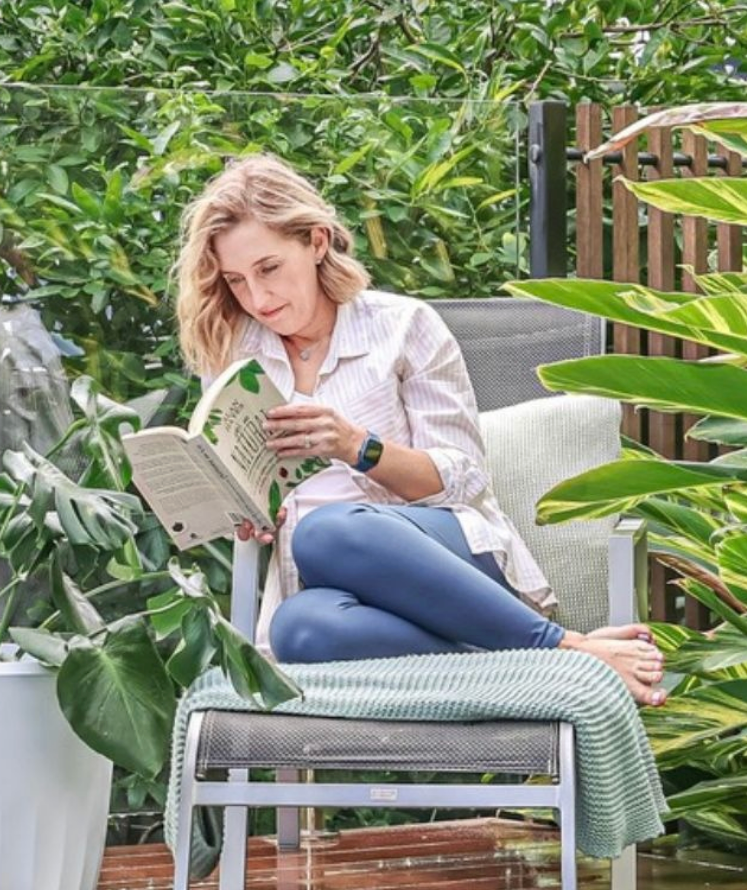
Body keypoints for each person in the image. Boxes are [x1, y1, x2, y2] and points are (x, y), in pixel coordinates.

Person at [172, 153, 666, 707]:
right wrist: (246, 513)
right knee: (297, 630)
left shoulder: (403, 327)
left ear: (315, 242)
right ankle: (539, 665)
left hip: (446, 560)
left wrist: (355, 446)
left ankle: (558, 643)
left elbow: (463, 480)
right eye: (237, 281)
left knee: (328, 530)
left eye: (268, 269)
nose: (258, 300)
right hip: (329, 589)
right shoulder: (238, 354)